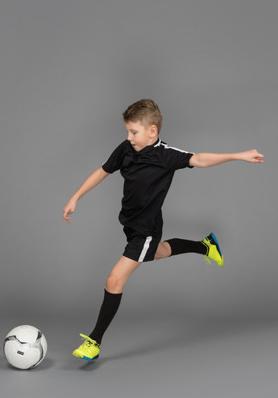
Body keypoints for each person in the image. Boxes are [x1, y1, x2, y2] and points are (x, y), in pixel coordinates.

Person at [63, 99, 264, 362]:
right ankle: (205, 245)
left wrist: (237, 155)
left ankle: (95, 341)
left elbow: (200, 159)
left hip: (146, 228)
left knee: (114, 280)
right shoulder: (125, 149)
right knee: (159, 252)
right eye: (127, 131)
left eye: (134, 132)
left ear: (152, 131)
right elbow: (103, 171)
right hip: (130, 224)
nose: (129, 137)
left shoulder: (165, 154)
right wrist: (76, 196)